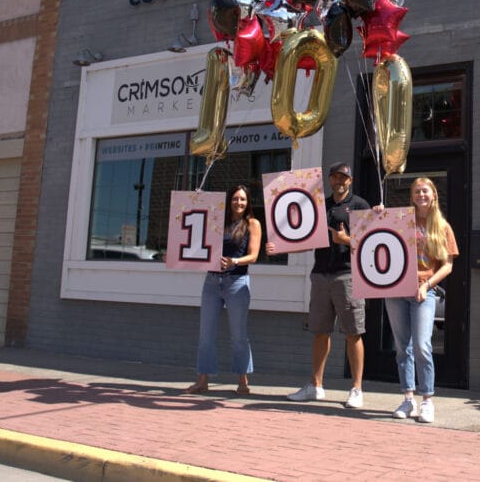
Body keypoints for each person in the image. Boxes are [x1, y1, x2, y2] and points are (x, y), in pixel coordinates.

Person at [282, 162, 372, 408]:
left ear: (350, 181)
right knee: (320, 332)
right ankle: (315, 386)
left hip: (348, 276)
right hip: (320, 275)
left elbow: (371, 245)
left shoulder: (360, 205)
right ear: (330, 180)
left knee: (353, 333)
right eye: (335, 177)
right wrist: (280, 247)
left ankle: (356, 389)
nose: (339, 181)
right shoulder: (319, 205)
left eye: (344, 177)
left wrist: (346, 239)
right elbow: (305, 236)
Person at [384, 177, 459, 423]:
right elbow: (379, 232)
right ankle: (408, 399)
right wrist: (378, 213)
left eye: (425, 191)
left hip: (424, 292)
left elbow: (447, 265)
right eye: (416, 191)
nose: (421, 195)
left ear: (433, 195)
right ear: (412, 196)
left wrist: (427, 285)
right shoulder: (401, 221)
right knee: (402, 347)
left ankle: (427, 400)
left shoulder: (442, 227)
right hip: (396, 291)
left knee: (423, 346)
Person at [185, 184, 261, 396]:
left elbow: (254, 255)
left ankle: (243, 382)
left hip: (237, 282)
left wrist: (234, 261)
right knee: (206, 334)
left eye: (243, 199)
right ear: (229, 201)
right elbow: (197, 239)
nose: (239, 203)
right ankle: (202, 381)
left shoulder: (252, 223)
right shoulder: (217, 221)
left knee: (238, 334)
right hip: (212, 282)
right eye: (235, 198)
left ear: (248, 203)